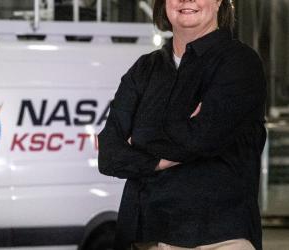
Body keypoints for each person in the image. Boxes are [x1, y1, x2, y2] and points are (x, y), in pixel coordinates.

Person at [97, 0, 267, 249]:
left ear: (219, 1)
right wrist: (170, 150)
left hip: (219, 238)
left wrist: (138, 138)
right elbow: (109, 154)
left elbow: (202, 137)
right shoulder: (144, 69)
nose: (187, 0)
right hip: (149, 236)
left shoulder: (239, 63)